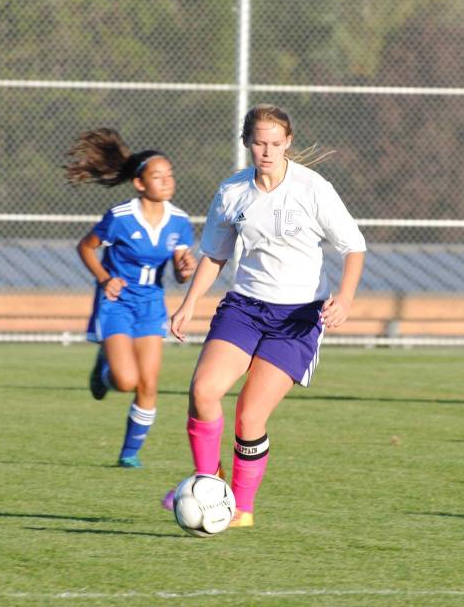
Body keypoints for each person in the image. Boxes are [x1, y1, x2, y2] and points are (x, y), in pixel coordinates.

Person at [164, 104, 366, 527]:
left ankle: (242, 507)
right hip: (245, 307)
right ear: (246, 144)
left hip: (298, 317)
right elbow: (214, 254)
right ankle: (208, 483)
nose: (267, 152)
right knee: (203, 391)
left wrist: (345, 298)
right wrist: (188, 304)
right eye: (259, 143)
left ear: (288, 142)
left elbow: (353, 246)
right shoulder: (233, 192)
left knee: (250, 416)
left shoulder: (313, 189)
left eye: (275, 143)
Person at [66, 128, 197, 469]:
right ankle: (103, 371)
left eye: (170, 175)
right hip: (118, 300)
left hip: (152, 302)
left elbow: (181, 273)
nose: (167, 181)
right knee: (126, 381)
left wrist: (185, 268)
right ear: (140, 184)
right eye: (158, 176)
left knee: (149, 384)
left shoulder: (180, 221)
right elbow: (86, 247)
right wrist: (105, 278)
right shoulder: (121, 217)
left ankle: (129, 454)